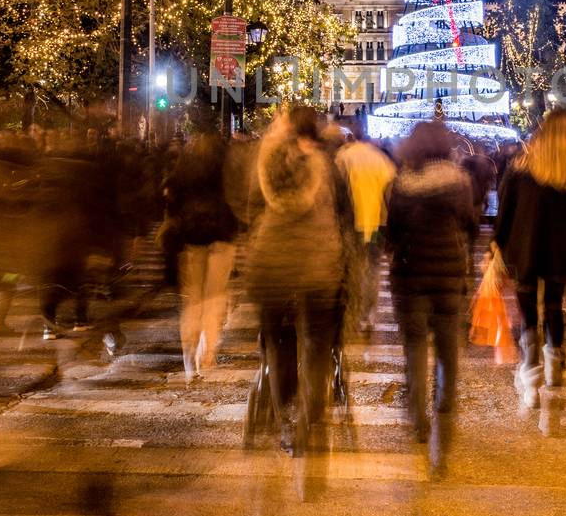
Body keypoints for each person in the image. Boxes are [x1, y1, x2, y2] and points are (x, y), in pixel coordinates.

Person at [244, 107, 354, 454]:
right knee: (317, 344)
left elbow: (250, 213)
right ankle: (311, 417)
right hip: (318, 266)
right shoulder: (327, 165)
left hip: (273, 265)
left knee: (277, 346)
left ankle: (287, 421)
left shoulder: (267, 163)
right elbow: (344, 215)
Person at [384, 121, 477, 477]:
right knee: (447, 349)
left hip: (411, 275)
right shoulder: (458, 182)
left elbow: (392, 233)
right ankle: (444, 406)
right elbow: (470, 225)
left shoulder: (403, 184)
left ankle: (418, 418)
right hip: (449, 273)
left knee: (414, 348)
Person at [494, 108, 566, 414]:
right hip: (558, 251)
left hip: (525, 249)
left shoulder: (521, 167)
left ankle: (531, 369)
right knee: (554, 306)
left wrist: (497, 245)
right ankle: (554, 361)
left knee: (528, 309)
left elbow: (505, 211)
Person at [162, 128, 240, 382]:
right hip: (221, 237)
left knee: (192, 298)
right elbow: (237, 198)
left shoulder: (184, 168)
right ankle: (207, 353)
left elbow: (169, 198)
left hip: (191, 238)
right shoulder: (227, 167)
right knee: (215, 297)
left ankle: (189, 352)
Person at [336, 126, 396, 335]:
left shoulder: (343, 156)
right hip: (378, 222)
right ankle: (368, 314)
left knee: (352, 268)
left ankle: (352, 314)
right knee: (372, 270)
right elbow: (391, 195)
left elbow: (337, 189)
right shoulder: (381, 160)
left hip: (352, 222)